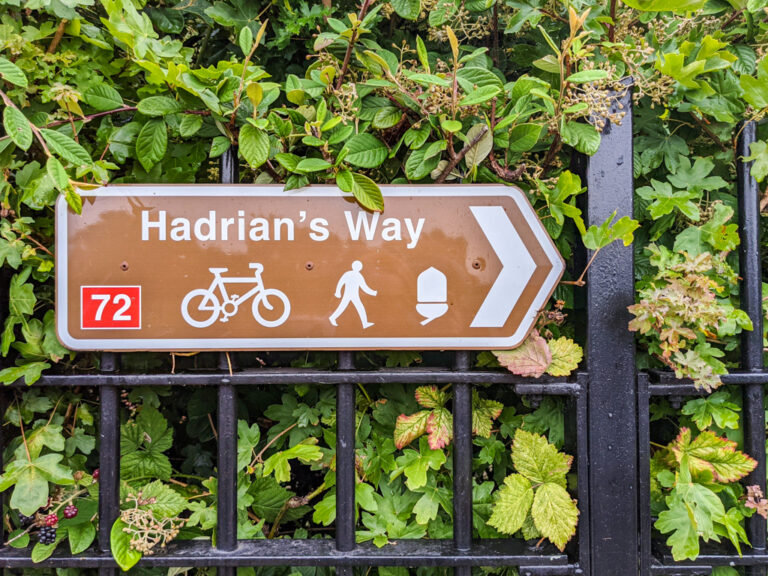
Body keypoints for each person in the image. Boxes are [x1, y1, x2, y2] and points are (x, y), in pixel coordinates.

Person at [329, 260, 377, 329]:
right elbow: (364, 287)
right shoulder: (356, 275)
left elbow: (341, 283)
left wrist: (338, 291)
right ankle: (332, 317)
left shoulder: (349, 274)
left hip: (353, 295)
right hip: (350, 295)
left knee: (356, 307)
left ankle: (365, 323)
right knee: (345, 307)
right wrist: (373, 292)